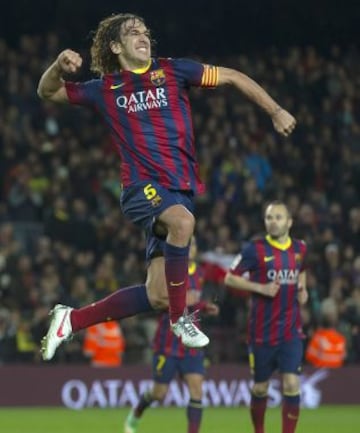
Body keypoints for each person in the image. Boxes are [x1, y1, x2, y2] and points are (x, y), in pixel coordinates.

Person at [37, 13, 296, 361]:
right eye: (132, 33)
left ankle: (71, 319)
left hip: (180, 188)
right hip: (141, 188)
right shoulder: (105, 90)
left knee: (158, 294)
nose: (143, 36)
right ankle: (180, 320)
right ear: (115, 46)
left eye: (145, 31)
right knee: (183, 223)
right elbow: (47, 91)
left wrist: (275, 109)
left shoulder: (174, 71)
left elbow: (232, 77)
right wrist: (57, 65)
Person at [224, 201, 308, 433]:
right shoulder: (254, 249)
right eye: (270, 218)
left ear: (289, 222)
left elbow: (302, 271)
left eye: (279, 217)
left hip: (291, 331)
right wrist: (261, 288)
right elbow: (229, 278)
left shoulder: (300, 248)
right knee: (260, 388)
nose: (273, 222)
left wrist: (303, 290)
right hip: (261, 333)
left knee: (291, 384)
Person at [124, 237, 219, 433]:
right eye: (187, 245)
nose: (190, 248)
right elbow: (158, 303)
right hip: (168, 343)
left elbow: (195, 303)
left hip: (191, 343)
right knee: (159, 393)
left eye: (193, 245)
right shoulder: (170, 272)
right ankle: (136, 413)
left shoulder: (200, 273)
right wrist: (187, 301)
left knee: (197, 390)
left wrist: (204, 306)